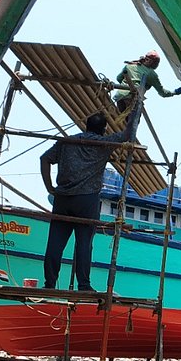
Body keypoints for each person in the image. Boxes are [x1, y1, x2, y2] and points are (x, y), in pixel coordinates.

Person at [40, 108, 140, 290]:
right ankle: (84, 284)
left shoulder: (67, 142)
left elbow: (44, 158)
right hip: (87, 199)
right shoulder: (104, 144)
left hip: (63, 198)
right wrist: (134, 114)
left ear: (86, 126)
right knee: (84, 244)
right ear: (103, 129)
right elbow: (127, 135)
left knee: (55, 242)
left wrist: (49, 187)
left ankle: (49, 283)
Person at [114, 50, 181, 113]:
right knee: (129, 120)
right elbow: (162, 92)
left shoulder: (130, 66)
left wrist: (128, 84)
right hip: (132, 98)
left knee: (117, 116)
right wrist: (175, 92)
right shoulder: (151, 74)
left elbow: (119, 78)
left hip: (120, 96)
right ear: (154, 63)